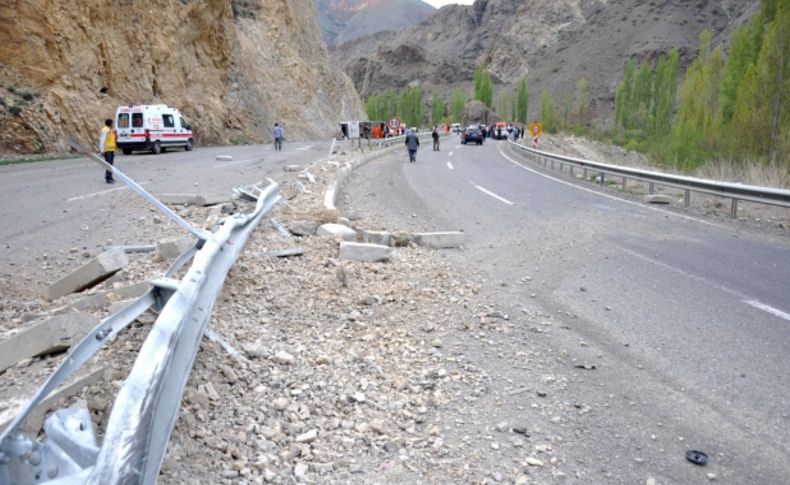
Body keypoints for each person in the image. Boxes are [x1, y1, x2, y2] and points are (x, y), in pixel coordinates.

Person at [99, 118, 116, 184]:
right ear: (109, 123)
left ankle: (110, 177)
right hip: (107, 150)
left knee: (111, 164)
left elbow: (112, 140)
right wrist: (102, 150)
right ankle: (108, 178)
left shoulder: (111, 130)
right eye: (112, 123)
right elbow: (102, 140)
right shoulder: (105, 130)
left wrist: (114, 149)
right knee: (108, 164)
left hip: (111, 149)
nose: (113, 124)